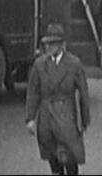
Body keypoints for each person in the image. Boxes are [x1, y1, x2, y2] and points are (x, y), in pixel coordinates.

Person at [25, 24, 90, 175]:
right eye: (47, 43)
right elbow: (33, 93)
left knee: (70, 158)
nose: (48, 47)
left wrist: (84, 120)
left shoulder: (74, 64)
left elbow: (84, 95)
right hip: (46, 118)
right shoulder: (39, 65)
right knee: (52, 158)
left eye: (53, 43)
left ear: (62, 45)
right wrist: (30, 118)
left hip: (66, 116)